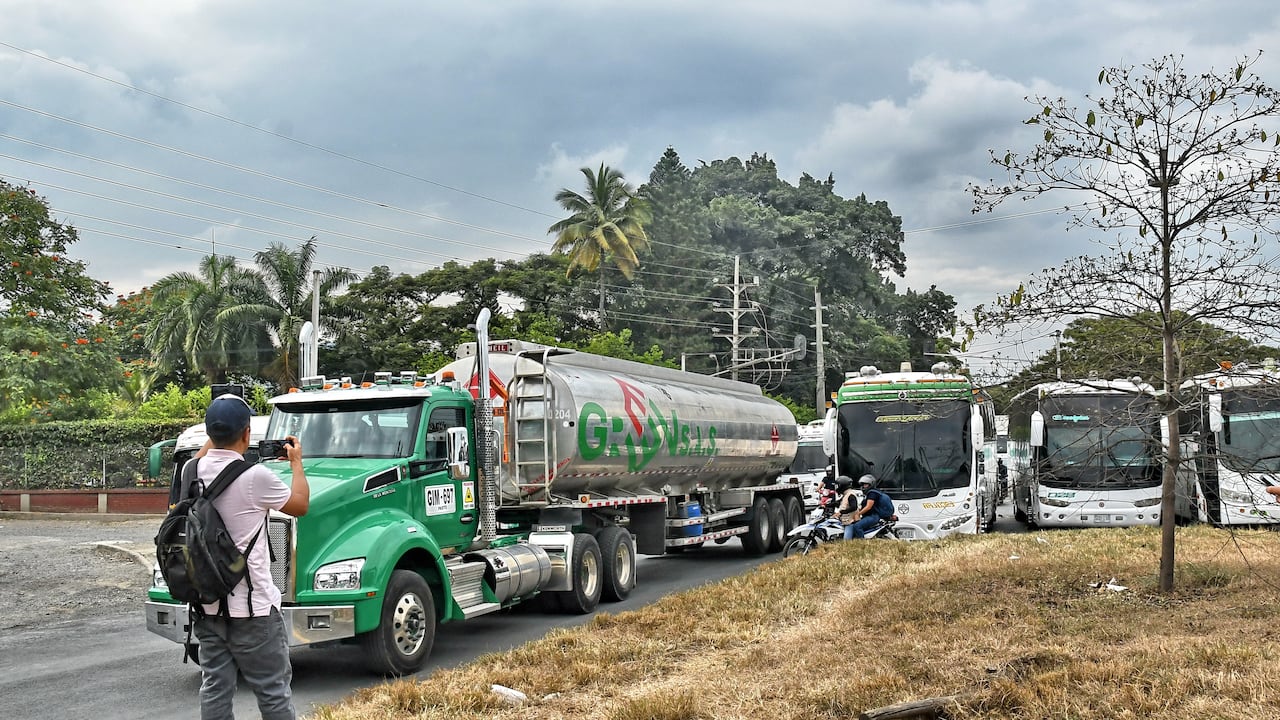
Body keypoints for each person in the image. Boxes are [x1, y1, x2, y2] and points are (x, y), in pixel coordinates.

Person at [190, 394, 310, 720]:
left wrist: (218, 432)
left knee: (215, 687)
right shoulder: (254, 477)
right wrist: (297, 462)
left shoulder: (190, 473)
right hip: (254, 613)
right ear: (246, 433)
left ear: (210, 433)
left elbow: (206, 455)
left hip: (207, 607)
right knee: (272, 693)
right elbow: (300, 505)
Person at [837, 474, 895, 539]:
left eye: (865, 484)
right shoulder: (872, 493)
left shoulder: (872, 493)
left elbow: (868, 507)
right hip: (872, 515)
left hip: (873, 516)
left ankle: (862, 542)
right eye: (862, 485)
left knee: (857, 526)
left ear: (871, 484)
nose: (863, 487)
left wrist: (858, 514)